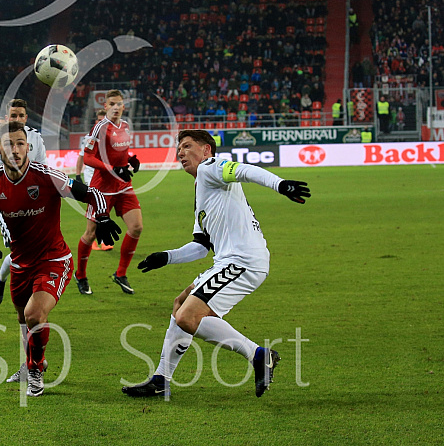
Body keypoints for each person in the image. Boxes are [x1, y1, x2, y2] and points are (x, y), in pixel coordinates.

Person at [121, 129, 311, 398]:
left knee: (188, 316)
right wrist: (167, 256)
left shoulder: (211, 167)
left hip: (243, 260)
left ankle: (258, 354)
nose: (181, 153)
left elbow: (245, 170)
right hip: (228, 261)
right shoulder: (201, 190)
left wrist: (280, 185)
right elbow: (201, 246)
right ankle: (161, 379)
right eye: (179, 149)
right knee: (180, 305)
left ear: (207, 150)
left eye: (188, 146)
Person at [0, 121, 120, 396]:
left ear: (28, 147)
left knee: (34, 313)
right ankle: (31, 363)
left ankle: (34, 372)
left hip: (54, 259)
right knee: (22, 316)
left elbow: (92, 193)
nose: (16, 150)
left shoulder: (46, 177)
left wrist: (102, 217)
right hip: (20, 263)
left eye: (21, 144)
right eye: (9, 144)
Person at [0, 98, 48, 352]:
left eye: (21, 115)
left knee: (28, 252)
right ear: (6, 115)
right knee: (18, 250)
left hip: (35, 205)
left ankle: (4, 282)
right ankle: (6, 284)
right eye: (13, 114)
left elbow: (45, 170)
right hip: (7, 206)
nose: (17, 118)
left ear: (27, 118)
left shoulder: (35, 139)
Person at [75, 89, 142, 295]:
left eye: (119, 104)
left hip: (123, 185)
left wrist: (130, 159)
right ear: (105, 107)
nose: (115, 107)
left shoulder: (125, 126)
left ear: (124, 106)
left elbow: (119, 152)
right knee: (91, 233)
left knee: (137, 227)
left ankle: (120, 274)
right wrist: (112, 168)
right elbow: (87, 158)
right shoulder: (99, 128)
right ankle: (81, 275)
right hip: (101, 188)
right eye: (111, 104)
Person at [75, 109, 112, 251]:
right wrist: (78, 175)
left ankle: (99, 238)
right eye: (99, 120)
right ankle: (94, 239)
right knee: (97, 206)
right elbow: (81, 157)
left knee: (104, 207)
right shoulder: (89, 137)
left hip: (105, 178)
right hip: (92, 177)